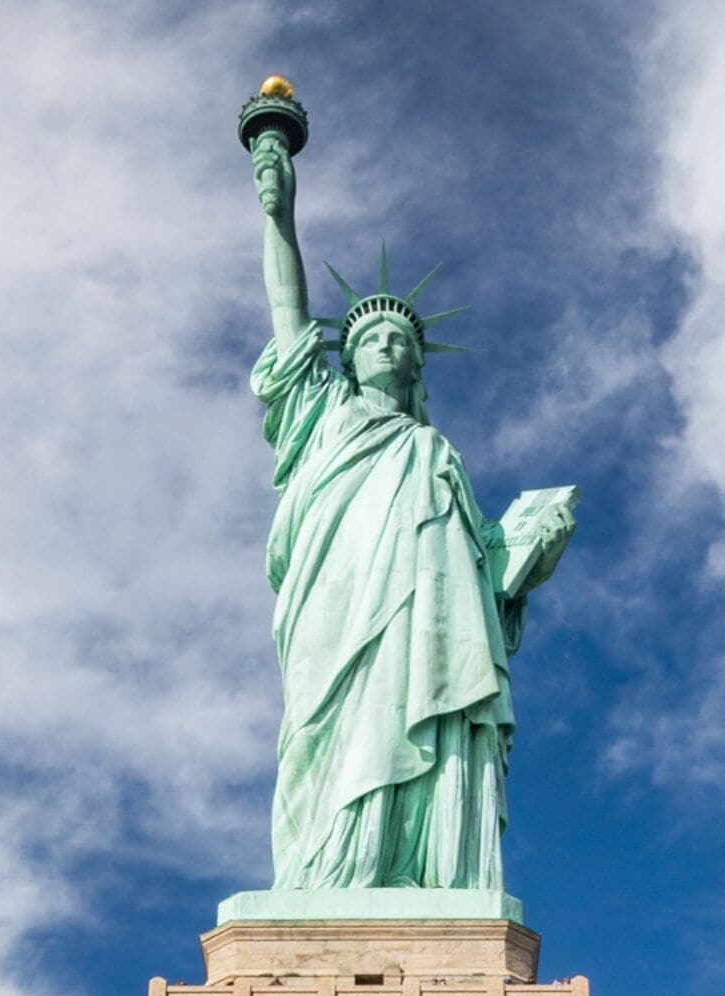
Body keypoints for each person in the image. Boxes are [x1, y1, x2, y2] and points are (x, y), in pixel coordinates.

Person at [244, 121, 574, 893]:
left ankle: (425, 873)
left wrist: (526, 551)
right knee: (325, 733)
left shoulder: (436, 455)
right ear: (347, 357)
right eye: (371, 338)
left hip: (426, 623)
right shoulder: (319, 416)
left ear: (418, 365)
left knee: (422, 711)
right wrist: (277, 214)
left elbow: (483, 579)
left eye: (401, 340)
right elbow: (287, 310)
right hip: (335, 603)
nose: (387, 346)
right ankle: (328, 877)